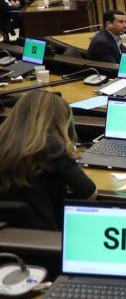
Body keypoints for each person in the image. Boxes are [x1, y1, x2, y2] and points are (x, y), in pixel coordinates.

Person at [0, 91, 96, 229]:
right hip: (44, 234)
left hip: (5, 231)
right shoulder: (52, 146)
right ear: (59, 121)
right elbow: (89, 194)